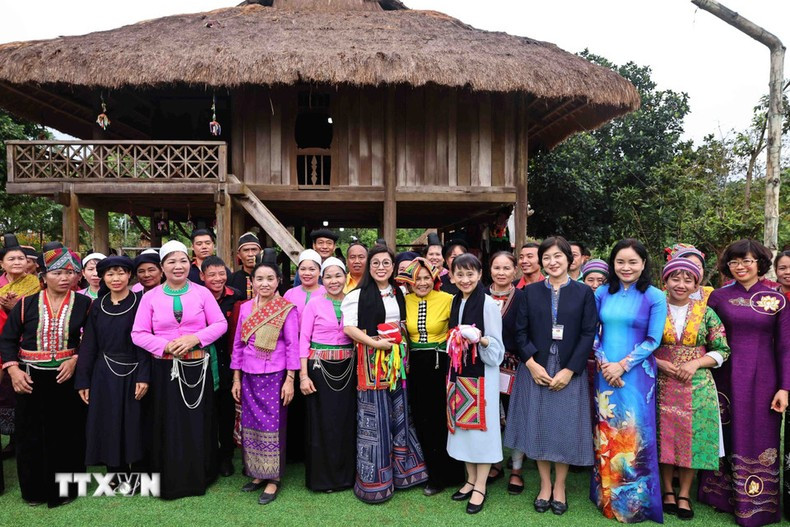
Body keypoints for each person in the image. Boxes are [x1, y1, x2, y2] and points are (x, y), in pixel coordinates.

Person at [698, 239, 790, 527]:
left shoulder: (777, 299)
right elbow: (707, 340)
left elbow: (785, 347)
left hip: (764, 378)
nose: (740, 266)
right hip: (724, 377)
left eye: (747, 260)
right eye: (734, 261)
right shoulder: (718, 297)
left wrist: (785, 387)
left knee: (761, 432)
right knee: (725, 431)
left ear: (759, 263)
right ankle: (721, 496)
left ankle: (760, 501)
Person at [504, 237, 597, 515]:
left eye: (558, 256)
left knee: (563, 427)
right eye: (547, 257)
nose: (552, 262)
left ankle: (560, 486)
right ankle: (545, 484)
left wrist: (570, 370)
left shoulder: (583, 292)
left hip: (569, 369)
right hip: (537, 367)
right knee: (539, 425)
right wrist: (531, 364)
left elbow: (588, 333)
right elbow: (520, 332)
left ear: (570, 259)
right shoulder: (530, 292)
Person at [131, 240, 227, 500]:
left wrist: (195, 338)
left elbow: (220, 324)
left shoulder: (202, 293)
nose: (178, 266)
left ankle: (200, 474)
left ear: (190, 264)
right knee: (167, 422)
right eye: (171, 261)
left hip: (197, 367)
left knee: (197, 422)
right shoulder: (150, 297)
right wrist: (164, 346)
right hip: (163, 369)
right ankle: (169, 476)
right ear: (162, 267)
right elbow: (138, 333)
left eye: (183, 260)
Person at [0, 244, 91, 507]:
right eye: (57, 273)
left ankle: (67, 490)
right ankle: (34, 491)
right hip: (29, 378)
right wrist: (13, 370)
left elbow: (92, 340)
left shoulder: (84, 304)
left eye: (70, 273)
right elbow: (7, 339)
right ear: (43, 275)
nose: (64, 278)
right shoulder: (26, 304)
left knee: (68, 434)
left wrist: (75, 360)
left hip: (66, 377)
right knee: (30, 435)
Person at [341, 245, 428, 503]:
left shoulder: (400, 292)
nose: (381, 267)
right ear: (369, 267)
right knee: (375, 419)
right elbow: (349, 328)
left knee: (399, 414)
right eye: (376, 263)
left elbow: (405, 320)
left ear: (393, 267)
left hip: (398, 362)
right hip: (371, 362)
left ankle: (403, 473)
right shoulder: (357, 295)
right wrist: (375, 343)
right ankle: (374, 482)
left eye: (386, 263)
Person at [591, 238, 666, 523]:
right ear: (612, 264)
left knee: (633, 433)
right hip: (604, 372)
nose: (626, 267)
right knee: (607, 429)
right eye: (620, 262)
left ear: (644, 264)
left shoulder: (654, 297)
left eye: (633, 262)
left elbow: (653, 339)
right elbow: (592, 331)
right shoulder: (602, 293)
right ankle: (606, 498)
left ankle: (634, 504)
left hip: (636, 375)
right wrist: (604, 364)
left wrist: (622, 366)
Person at [654, 258, 730, 520]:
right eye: (675, 278)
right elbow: (640, 342)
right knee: (664, 435)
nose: (681, 284)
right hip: (660, 381)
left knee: (692, 437)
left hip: (697, 384)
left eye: (688, 280)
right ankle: (667, 490)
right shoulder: (654, 308)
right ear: (665, 281)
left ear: (697, 285)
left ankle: (684, 493)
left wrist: (696, 362)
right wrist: (657, 362)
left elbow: (722, 350)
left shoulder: (706, 313)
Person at [74, 255, 150, 495]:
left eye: (120, 273)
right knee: (109, 422)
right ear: (103, 277)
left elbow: (145, 341)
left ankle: (139, 475)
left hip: (134, 370)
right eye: (110, 274)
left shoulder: (141, 302)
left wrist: (144, 375)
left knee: (135, 423)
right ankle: (115, 473)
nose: (116, 278)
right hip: (104, 373)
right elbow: (89, 344)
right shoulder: (97, 305)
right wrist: (83, 379)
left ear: (129, 275)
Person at [231, 255, 299, 505]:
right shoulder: (245, 308)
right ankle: (257, 473)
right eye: (259, 278)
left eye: (270, 278)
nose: (265, 283)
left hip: (275, 375)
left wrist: (290, 379)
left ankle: (274, 478)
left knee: (272, 426)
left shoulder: (286, 309)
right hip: (248, 375)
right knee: (251, 425)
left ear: (279, 281)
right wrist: (236, 378)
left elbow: (292, 345)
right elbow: (238, 344)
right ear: (252, 281)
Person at [396, 257, 465, 496]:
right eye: (417, 279)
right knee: (422, 419)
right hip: (415, 365)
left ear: (434, 279)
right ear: (409, 282)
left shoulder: (448, 299)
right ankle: (432, 474)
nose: (422, 283)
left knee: (443, 418)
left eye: (427, 278)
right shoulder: (404, 301)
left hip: (441, 363)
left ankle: (453, 473)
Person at [445, 253, 504, 514]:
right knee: (462, 429)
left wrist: (480, 339)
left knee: (481, 431)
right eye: (460, 274)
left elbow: (497, 348)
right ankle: (470, 479)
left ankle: (480, 485)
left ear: (480, 275)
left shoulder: (488, 304)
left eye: (470, 274)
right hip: (458, 374)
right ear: (452, 276)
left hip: (482, 377)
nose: (465, 279)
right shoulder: (455, 300)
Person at [299, 257, 356, 492]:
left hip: (348, 369)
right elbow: (303, 340)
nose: (334, 281)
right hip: (319, 369)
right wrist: (303, 376)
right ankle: (322, 479)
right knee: (322, 423)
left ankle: (346, 477)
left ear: (345, 277)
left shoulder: (353, 301)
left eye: (338, 275)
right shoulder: (314, 304)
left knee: (345, 421)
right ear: (322, 280)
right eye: (328, 277)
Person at [484, 251, 528, 494]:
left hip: (516, 366)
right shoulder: (480, 295)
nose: (501, 272)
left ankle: (517, 470)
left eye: (506, 268)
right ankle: (495, 464)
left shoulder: (523, 297)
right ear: (489, 270)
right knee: (490, 417)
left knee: (516, 416)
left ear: (515, 271)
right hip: (486, 366)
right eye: (496, 268)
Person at [200, 255, 245, 478]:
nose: (218, 279)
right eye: (212, 275)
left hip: (228, 360)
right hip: (202, 361)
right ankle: (208, 456)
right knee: (205, 412)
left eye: (221, 274)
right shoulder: (196, 296)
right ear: (202, 276)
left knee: (227, 410)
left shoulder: (236, 296)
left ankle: (226, 456)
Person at [283, 248, 325, 462]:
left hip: (317, 352)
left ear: (320, 271)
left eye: (312, 269)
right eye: (303, 269)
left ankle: (314, 450)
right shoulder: (290, 294)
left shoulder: (327, 291)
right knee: (293, 402)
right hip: (292, 350)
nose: (307, 273)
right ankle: (294, 452)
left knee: (314, 400)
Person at [228, 232, 262, 300]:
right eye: (246, 250)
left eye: (254, 250)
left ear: (260, 252)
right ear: (239, 255)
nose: (250, 254)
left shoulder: (271, 278)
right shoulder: (231, 280)